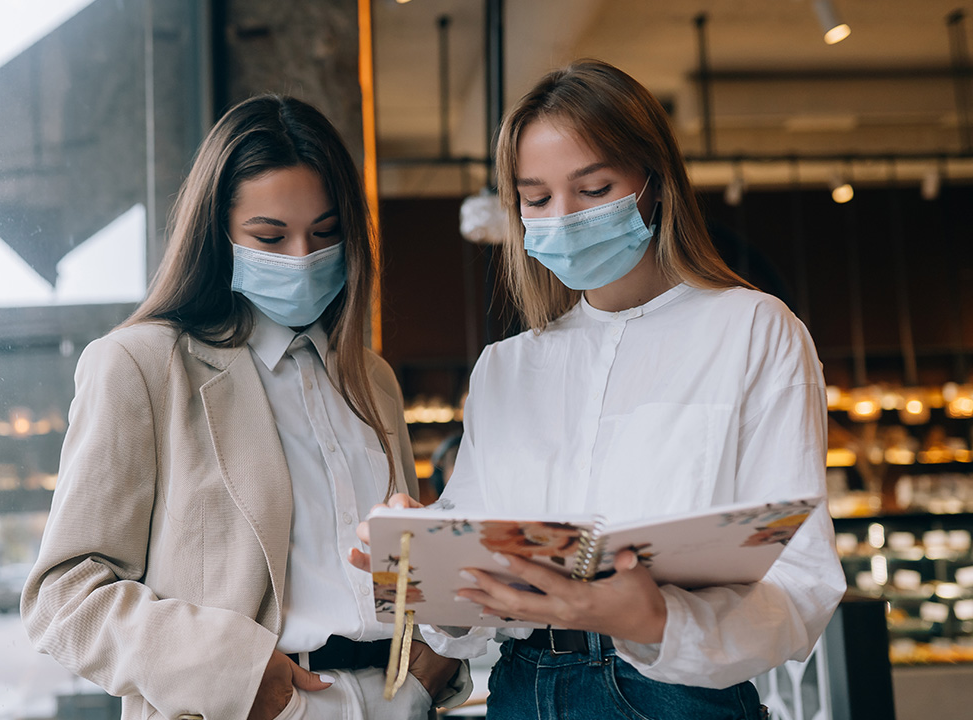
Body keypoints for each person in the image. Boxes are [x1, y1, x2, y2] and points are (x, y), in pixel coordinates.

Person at [353, 59, 846, 719]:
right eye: (536, 198)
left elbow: (802, 581)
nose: (563, 217)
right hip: (522, 687)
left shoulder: (753, 330)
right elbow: (464, 613)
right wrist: (422, 562)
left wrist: (659, 622)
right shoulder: (507, 367)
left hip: (674, 694)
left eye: (592, 188)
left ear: (656, 183)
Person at [21, 94, 465, 720]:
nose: (302, 257)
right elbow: (61, 597)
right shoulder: (142, 366)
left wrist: (430, 664)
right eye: (270, 235)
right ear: (219, 233)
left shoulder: (373, 379)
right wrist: (237, 673)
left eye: (326, 233)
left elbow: (391, 564)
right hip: (253, 705)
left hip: (398, 701)